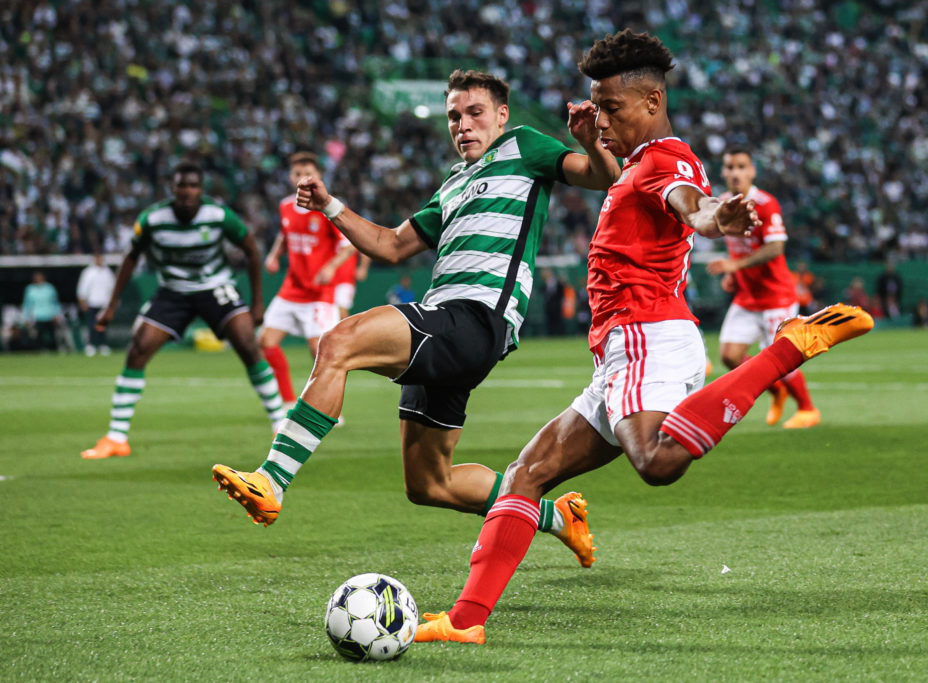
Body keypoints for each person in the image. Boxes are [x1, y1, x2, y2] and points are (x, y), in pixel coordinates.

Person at [412, 29, 874, 644]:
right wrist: (591, 144)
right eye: (595, 105)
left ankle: (786, 349)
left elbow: (692, 203)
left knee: (654, 461)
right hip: (618, 353)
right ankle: (466, 621)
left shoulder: (665, 158)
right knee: (528, 473)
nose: (599, 118)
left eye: (611, 108)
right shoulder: (630, 163)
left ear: (652, 102)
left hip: (647, 336)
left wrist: (715, 218)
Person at [211, 69, 621, 568]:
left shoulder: (525, 146)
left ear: (501, 115)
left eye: (474, 113)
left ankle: (272, 480)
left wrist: (589, 142)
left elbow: (605, 177)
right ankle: (558, 518)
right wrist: (330, 206)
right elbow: (391, 245)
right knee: (429, 483)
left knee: (339, 341)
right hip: (446, 321)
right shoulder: (452, 183)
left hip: (475, 318)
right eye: (454, 116)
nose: (463, 125)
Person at [80, 161, 286, 459]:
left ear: (201, 190)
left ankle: (280, 423)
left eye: (192, 185)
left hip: (215, 288)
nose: (187, 191)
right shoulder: (153, 219)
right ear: (172, 188)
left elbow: (252, 249)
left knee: (247, 344)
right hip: (173, 291)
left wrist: (256, 302)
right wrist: (112, 304)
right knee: (138, 348)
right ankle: (116, 438)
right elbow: (131, 257)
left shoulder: (218, 216)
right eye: (181, 185)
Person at [707, 148, 820, 430]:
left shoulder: (766, 203)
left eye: (741, 166)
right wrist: (735, 274)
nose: (735, 172)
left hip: (776, 297)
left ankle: (808, 409)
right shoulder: (724, 204)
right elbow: (738, 246)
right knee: (729, 356)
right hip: (748, 296)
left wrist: (735, 266)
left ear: (752, 171)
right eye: (730, 167)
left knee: (779, 359)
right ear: (723, 172)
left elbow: (775, 247)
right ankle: (776, 391)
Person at [261, 152, 355, 409]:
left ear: (318, 177)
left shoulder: (328, 207)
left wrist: (330, 267)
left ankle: (327, 408)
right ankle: (288, 401)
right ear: (291, 177)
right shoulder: (285, 206)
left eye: (307, 174)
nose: (302, 178)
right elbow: (284, 234)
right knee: (265, 342)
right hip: (292, 289)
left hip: (319, 293)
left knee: (321, 353)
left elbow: (349, 246)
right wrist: (273, 255)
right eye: (297, 174)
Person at [77, 252, 116, 356]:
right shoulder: (88, 272)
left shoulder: (107, 272)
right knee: (91, 325)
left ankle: (103, 345)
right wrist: (83, 301)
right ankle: (90, 345)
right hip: (92, 303)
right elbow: (82, 288)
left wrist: (114, 301)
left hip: (104, 304)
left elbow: (113, 288)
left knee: (102, 326)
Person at [21, 271, 62, 351]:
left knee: (52, 336)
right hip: (37, 316)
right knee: (38, 336)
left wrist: (57, 314)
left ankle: (53, 351)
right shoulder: (30, 289)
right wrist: (26, 317)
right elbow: (27, 304)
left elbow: (55, 302)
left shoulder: (50, 288)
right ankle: (39, 351)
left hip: (49, 316)